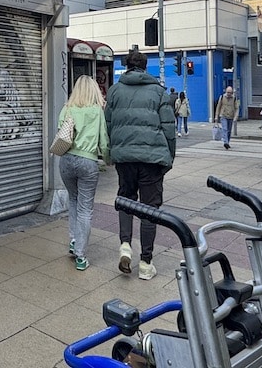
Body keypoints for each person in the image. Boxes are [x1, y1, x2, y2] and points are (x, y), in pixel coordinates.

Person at [104, 49, 175, 281]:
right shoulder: (159, 92)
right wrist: (169, 156)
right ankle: (146, 263)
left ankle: (125, 245)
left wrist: (113, 153)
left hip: (125, 157)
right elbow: (169, 128)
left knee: (125, 199)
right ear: (146, 67)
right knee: (149, 208)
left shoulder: (114, 91)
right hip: (152, 158)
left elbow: (108, 125)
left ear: (126, 65)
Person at [57, 75, 110, 271]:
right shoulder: (97, 111)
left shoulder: (67, 108)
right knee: (85, 208)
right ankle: (81, 254)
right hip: (88, 161)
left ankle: (73, 240)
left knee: (73, 200)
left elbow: (61, 133)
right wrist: (107, 158)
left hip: (67, 160)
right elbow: (103, 139)